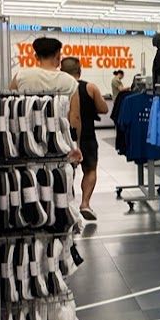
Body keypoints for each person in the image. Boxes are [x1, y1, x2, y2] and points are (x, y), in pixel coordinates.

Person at [9, 36, 82, 164]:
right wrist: (76, 145)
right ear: (58, 56)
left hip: (28, 139)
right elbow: (75, 117)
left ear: (36, 56)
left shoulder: (21, 77)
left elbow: (10, 106)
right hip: (59, 142)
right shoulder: (70, 81)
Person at [61, 57, 107, 221]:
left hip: (63, 138)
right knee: (90, 170)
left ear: (61, 71)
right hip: (87, 137)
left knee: (65, 172)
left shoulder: (59, 88)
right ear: (79, 71)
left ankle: (65, 204)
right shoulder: (90, 87)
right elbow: (104, 108)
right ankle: (85, 204)